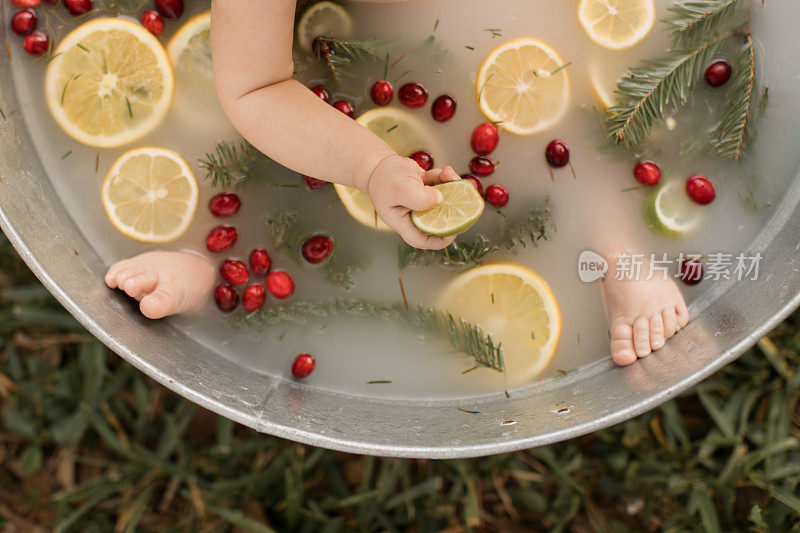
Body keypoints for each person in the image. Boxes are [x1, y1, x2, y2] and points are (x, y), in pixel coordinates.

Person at [105, 0, 689, 367]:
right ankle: (212, 265)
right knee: (293, 168)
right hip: (323, 66)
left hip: (480, 36)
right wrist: (369, 166)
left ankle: (615, 245)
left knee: (557, 101)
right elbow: (253, 90)